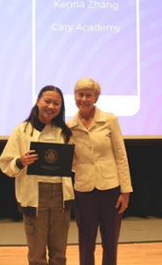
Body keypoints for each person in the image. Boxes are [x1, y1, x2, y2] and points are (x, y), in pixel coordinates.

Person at [0, 85, 74, 265]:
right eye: (47, 101)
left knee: (59, 253)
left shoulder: (65, 132)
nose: (51, 106)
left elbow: (74, 162)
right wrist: (20, 162)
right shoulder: (22, 130)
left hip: (60, 195)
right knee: (36, 254)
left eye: (56, 103)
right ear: (38, 101)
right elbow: (5, 163)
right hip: (34, 195)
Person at [67, 77, 133, 265]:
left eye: (89, 95)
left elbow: (121, 156)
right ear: (75, 97)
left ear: (96, 98)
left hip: (110, 189)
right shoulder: (69, 127)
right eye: (80, 94)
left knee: (110, 242)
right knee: (86, 242)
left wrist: (125, 191)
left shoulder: (109, 120)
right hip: (84, 191)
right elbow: (70, 161)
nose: (84, 99)